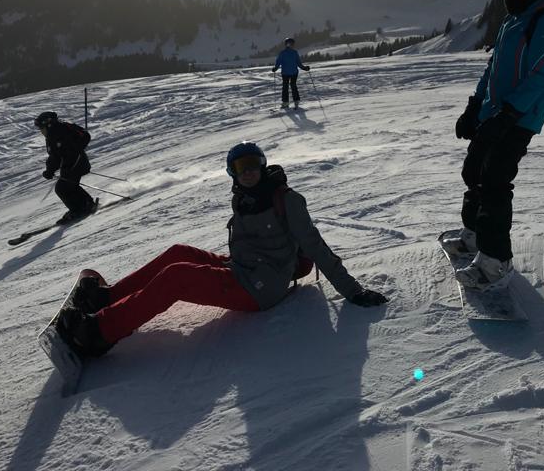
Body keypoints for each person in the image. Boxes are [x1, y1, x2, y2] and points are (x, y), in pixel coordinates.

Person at [57, 141, 388, 357]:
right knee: (178, 252)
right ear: (233, 173)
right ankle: (108, 298)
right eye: (241, 168)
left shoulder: (286, 199)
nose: (249, 172)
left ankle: (99, 332)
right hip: (242, 268)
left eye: (253, 165)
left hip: (261, 287)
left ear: (263, 165)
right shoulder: (244, 197)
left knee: (177, 276)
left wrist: (353, 291)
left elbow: (316, 246)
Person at [443, 0, 544, 291]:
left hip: (520, 118)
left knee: (494, 181)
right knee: (473, 172)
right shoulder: (514, 19)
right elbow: (493, 67)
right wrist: (474, 105)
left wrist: (508, 115)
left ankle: (495, 262)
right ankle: (474, 236)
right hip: (494, 112)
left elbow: (540, 77)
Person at [34, 111, 97, 223]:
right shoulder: (51, 137)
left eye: (41, 128)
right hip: (69, 165)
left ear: (49, 125)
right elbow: (55, 157)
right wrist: (49, 171)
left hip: (77, 162)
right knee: (68, 186)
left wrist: (75, 149)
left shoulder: (63, 128)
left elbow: (85, 136)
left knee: (62, 187)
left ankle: (78, 209)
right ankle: (86, 204)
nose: (41, 131)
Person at [272, 37, 310, 108]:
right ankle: (296, 101)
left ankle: (285, 102)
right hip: (293, 73)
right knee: (293, 86)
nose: (292, 45)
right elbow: (299, 63)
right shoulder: (294, 52)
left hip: (285, 73)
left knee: (285, 87)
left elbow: (278, 62)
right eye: (292, 44)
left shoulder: (283, 53)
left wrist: (275, 68)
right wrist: (304, 68)